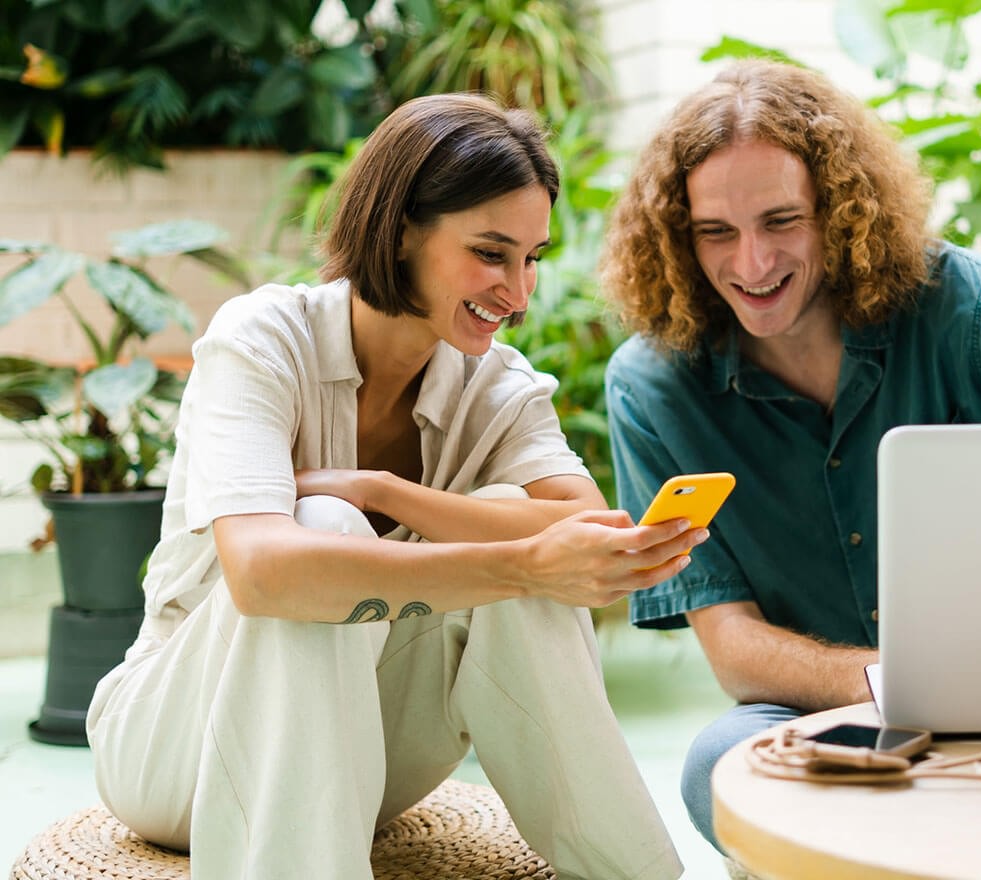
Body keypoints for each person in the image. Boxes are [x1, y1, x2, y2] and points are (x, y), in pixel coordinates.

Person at [86, 94, 695, 880]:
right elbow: (265, 572)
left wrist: (386, 491)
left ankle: (635, 875)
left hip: (365, 758)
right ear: (403, 227)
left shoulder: (495, 384)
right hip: (176, 748)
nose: (517, 290)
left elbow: (583, 527)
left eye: (533, 257)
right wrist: (517, 562)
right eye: (490, 252)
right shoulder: (262, 338)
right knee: (328, 530)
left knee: (516, 521)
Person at [600, 59, 981, 850]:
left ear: (837, 209)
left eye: (781, 221)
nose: (752, 264)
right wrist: (894, 682)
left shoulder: (960, 306)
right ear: (678, 238)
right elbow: (732, 644)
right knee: (717, 768)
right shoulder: (653, 387)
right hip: (827, 712)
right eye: (716, 233)